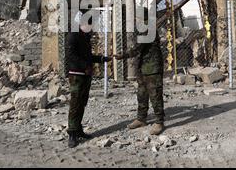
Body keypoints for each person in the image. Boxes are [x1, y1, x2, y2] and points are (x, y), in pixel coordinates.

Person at [116, 8, 165, 136]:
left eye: (135, 18)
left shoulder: (147, 28)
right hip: (143, 67)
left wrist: (123, 55)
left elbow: (137, 48)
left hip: (152, 67)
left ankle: (159, 121)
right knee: (142, 94)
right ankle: (141, 118)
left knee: (155, 94)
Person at [67, 15, 112, 148]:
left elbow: (88, 57)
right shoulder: (73, 35)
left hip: (86, 74)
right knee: (75, 104)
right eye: (90, 26)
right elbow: (71, 56)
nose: (92, 29)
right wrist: (84, 66)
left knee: (82, 102)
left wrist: (101, 59)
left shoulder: (85, 36)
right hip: (76, 74)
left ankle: (78, 129)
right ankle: (72, 133)